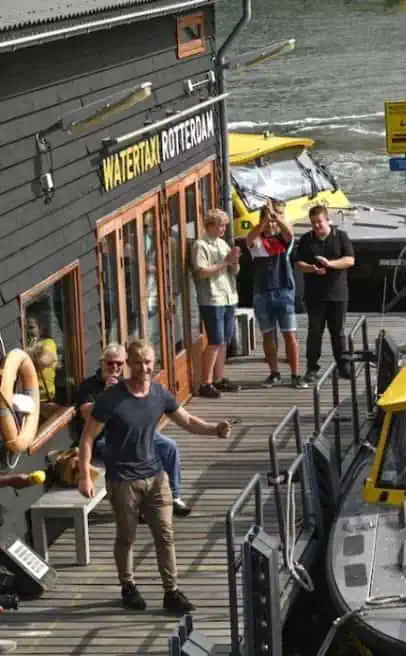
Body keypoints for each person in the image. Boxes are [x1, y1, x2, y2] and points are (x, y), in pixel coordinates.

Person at [77, 339, 232, 613]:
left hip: (155, 476)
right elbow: (88, 438)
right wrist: (85, 476)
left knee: (165, 534)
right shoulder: (111, 399)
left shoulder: (159, 393)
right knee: (127, 536)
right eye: (137, 363)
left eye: (148, 363)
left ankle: (171, 592)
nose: (143, 368)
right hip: (123, 479)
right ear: (129, 365)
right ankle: (128, 585)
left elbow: (187, 420)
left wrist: (214, 429)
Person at [71, 344, 191, 516]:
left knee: (169, 446)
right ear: (101, 362)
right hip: (104, 439)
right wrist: (105, 396)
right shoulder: (89, 385)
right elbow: (84, 413)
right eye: (110, 363)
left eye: (119, 364)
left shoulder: (126, 384)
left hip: (135, 433)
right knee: (133, 452)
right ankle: (141, 506)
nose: (115, 368)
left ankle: (174, 496)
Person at [248, 201, 308, 389]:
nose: (272, 225)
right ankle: (274, 373)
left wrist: (276, 217)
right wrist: (264, 222)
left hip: (284, 290)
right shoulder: (257, 242)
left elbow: (289, 233)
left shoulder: (283, 241)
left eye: (273, 222)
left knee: (289, 334)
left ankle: (296, 374)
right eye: (269, 222)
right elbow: (250, 238)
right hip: (262, 292)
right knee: (268, 334)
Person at [292, 204, 355, 383]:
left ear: (327, 220)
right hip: (315, 295)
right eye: (313, 223)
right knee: (314, 332)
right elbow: (298, 263)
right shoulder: (306, 239)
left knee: (338, 332)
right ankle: (312, 368)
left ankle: (343, 365)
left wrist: (330, 264)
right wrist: (312, 268)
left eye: (319, 222)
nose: (317, 226)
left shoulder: (340, 236)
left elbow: (350, 260)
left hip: (337, 293)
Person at [193, 208, 242, 398]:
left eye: (225, 225)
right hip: (212, 299)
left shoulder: (222, 243)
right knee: (214, 341)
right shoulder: (201, 245)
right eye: (221, 225)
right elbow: (202, 272)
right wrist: (225, 262)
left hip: (229, 295)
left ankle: (219, 378)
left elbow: (234, 271)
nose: (224, 229)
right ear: (210, 225)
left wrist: (234, 261)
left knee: (224, 341)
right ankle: (206, 382)